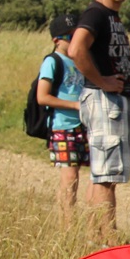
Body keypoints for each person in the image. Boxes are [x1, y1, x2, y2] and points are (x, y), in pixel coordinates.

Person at [68, 0, 130, 243]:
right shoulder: (96, 14)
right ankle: (108, 239)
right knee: (107, 177)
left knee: (102, 175)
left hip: (110, 101)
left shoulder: (110, 16)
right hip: (104, 100)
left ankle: (93, 238)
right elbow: (76, 49)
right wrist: (102, 81)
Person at [36, 12, 87, 225]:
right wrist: (75, 105)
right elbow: (42, 96)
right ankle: (67, 227)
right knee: (70, 178)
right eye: (68, 36)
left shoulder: (80, 60)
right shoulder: (53, 62)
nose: (73, 40)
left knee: (88, 177)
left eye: (76, 35)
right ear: (56, 40)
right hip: (62, 126)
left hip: (83, 125)